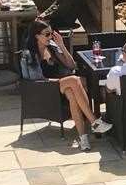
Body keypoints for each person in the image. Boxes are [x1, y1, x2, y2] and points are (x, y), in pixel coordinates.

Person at [20, 19, 111, 151]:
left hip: (61, 86)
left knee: (72, 92)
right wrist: (61, 81)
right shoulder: (28, 55)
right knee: (74, 80)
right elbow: (36, 80)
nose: (50, 37)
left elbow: (71, 65)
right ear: (36, 36)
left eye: (51, 33)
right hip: (44, 88)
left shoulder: (52, 47)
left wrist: (61, 46)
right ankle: (94, 121)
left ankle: (83, 138)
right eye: (46, 34)